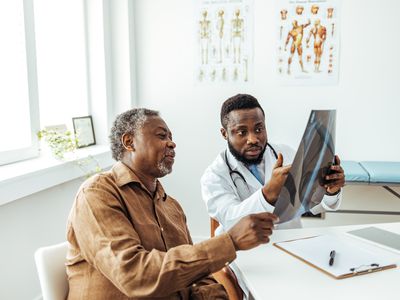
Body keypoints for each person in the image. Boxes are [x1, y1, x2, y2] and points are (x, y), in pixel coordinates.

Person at [66, 108, 277, 300]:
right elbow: (135, 277)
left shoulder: (171, 207)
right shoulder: (97, 193)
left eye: (171, 137)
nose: (172, 143)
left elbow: (199, 278)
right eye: (161, 136)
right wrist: (229, 242)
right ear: (129, 142)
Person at [201, 94, 344, 234]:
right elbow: (230, 220)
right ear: (224, 133)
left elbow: (312, 205)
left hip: (290, 243)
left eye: (258, 129)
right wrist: (268, 193)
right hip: (244, 252)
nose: (253, 139)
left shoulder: (286, 153)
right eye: (242, 132)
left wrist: (330, 191)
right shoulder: (214, 176)